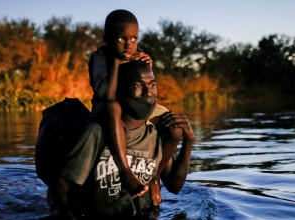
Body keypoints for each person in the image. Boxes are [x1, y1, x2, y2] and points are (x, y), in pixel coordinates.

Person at [50, 60, 195, 219]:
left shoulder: (154, 136)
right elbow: (61, 188)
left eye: (152, 85)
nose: (148, 92)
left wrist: (188, 142)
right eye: (138, 85)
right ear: (119, 91)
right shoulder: (96, 133)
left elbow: (175, 186)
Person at [88, 9, 169, 205]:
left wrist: (147, 66)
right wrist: (116, 64)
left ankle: (155, 176)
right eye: (121, 38)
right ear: (107, 38)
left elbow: (145, 86)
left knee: (166, 118)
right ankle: (126, 171)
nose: (128, 45)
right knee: (113, 107)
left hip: (131, 106)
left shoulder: (136, 54)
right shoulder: (99, 57)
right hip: (105, 107)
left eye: (134, 39)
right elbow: (106, 95)